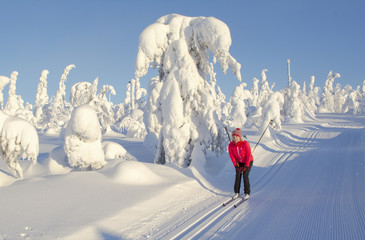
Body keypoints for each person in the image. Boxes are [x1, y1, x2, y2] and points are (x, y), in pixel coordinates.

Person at [228, 128, 253, 200]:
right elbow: (232, 156)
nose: (235, 138)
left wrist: (246, 165)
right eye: (233, 137)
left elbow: (248, 155)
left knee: (245, 175)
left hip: (248, 161)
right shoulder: (231, 145)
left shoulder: (245, 144)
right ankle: (236, 192)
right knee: (238, 175)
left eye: (236, 137)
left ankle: (247, 193)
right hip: (239, 162)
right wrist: (236, 165)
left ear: (239, 137)